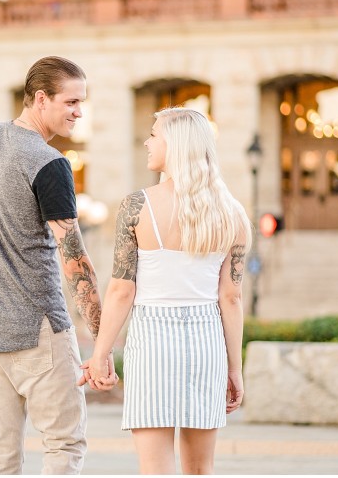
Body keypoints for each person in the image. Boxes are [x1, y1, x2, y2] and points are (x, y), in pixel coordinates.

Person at [0, 55, 117, 475]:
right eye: (71, 102)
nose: (79, 112)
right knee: (64, 443)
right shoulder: (50, 163)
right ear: (41, 99)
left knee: (0, 454)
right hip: (38, 331)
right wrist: (101, 343)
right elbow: (74, 258)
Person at [78, 107, 252, 474]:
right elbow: (231, 298)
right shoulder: (232, 213)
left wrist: (100, 353)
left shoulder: (137, 205)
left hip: (152, 339)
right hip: (206, 341)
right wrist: (234, 369)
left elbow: (122, 290)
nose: (147, 140)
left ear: (175, 144)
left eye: (155, 134)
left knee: (155, 470)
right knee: (200, 470)